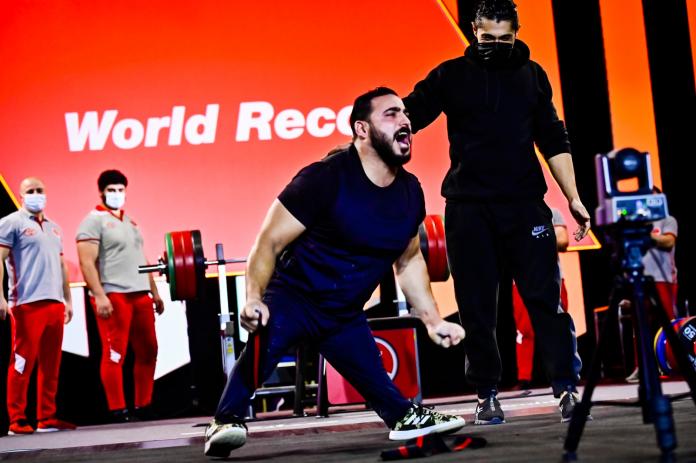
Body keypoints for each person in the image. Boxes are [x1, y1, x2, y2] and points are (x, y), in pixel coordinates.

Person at [204, 87, 466, 458]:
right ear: (361, 129)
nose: (405, 121)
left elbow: (408, 261)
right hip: (294, 297)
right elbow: (268, 243)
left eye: (405, 113)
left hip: (343, 312)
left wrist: (432, 319)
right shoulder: (323, 179)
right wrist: (252, 299)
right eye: (391, 114)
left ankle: (403, 417)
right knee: (261, 345)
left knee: (386, 393)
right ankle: (226, 421)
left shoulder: (410, 192)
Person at [403, 0, 591, 424]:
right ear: (473, 31)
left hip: (525, 206)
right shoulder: (450, 75)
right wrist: (373, 135)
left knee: (547, 302)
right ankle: (486, 393)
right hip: (469, 208)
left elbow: (554, 139)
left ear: (517, 33)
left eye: (505, 39)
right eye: (488, 39)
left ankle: (565, 388)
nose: (496, 46)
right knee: (476, 308)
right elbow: (407, 117)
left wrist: (574, 198)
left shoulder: (532, 75)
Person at [76, 170, 164, 422]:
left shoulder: (130, 221)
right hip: (114, 294)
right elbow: (86, 262)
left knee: (149, 350)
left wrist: (155, 292)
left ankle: (143, 405)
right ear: (102, 192)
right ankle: (117, 409)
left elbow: (141, 258)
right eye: (112, 190)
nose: (117, 194)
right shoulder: (93, 221)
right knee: (115, 353)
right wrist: (99, 295)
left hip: (140, 295)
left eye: (120, 189)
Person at [0, 177, 75, 434]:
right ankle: (16, 419)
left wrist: (68, 298)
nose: (35, 194)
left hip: (54, 303)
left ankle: (46, 417)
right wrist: (0, 297)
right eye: (30, 191)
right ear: (21, 195)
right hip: (26, 304)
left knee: (51, 364)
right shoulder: (10, 223)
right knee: (22, 362)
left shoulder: (55, 228)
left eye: (39, 190)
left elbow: (61, 264)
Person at [513, 207, 580, 389]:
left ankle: (568, 373)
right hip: (520, 280)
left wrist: (533, 238)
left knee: (559, 326)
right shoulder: (509, 212)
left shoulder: (552, 212)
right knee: (524, 330)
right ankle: (524, 378)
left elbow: (563, 241)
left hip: (552, 277)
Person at [624, 207, 678, 383]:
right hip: (639, 280)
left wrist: (648, 236)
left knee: (668, 324)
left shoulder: (668, 219)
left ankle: (674, 362)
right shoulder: (636, 224)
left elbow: (669, 242)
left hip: (663, 279)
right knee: (639, 326)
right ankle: (643, 367)